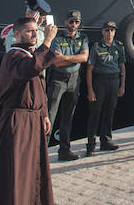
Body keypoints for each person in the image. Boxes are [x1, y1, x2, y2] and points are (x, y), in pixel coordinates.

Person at [0, 16, 59, 205]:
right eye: (30, 31)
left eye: (37, 31)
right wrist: (48, 41)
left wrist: (43, 114)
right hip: (17, 121)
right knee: (16, 171)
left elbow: (38, 86)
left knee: (33, 169)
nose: (35, 34)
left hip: (33, 119)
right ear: (17, 34)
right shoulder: (13, 56)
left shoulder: (28, 54)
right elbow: (30, 69)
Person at [46, 9, 89, 161]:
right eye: (71, 21)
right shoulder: (57, 40)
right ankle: (41, 155)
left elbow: (84, 58)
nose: (73, 24)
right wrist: (73, 58)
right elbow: (56, 62)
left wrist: (65, 57)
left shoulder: (83, 38)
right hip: (58, 80)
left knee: (67, 118)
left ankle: (64, 151)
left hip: (74, 80)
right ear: (65, 22)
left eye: (76, 22)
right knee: (49, 117)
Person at [85, 21, 126, 155]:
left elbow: (122, 67)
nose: (109, 33)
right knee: (95, 112)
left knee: (110, 111)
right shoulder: (97, 47)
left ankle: (106, 141)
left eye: (112, 30)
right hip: (100, 81)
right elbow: (89, 69)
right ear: (102, 32)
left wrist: (122, 85)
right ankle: (91, 144)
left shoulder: (119, 46)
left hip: (114, 81)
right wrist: (90, 89)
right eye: (107, 30)